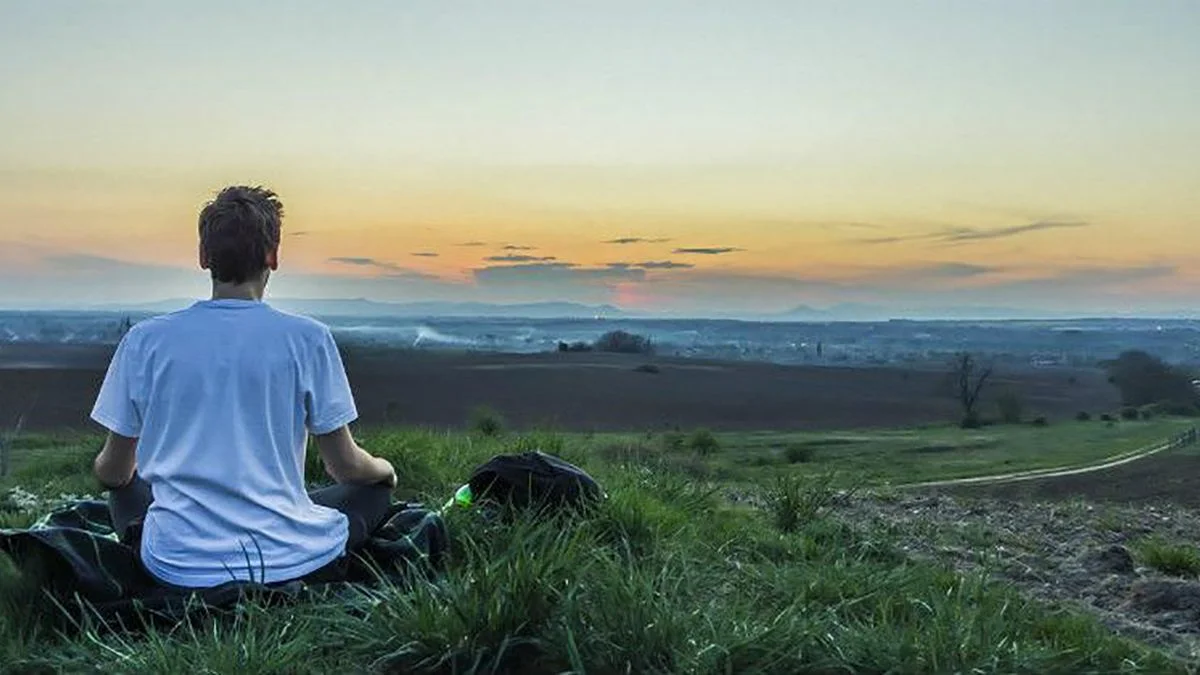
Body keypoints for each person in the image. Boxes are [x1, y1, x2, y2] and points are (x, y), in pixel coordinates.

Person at [89, 185, 397, 589]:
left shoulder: (145, 341)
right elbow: (344, 467)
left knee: (126, 487)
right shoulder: (308, 338)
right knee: (373, 493)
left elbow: (111, 472)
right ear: (273, 256)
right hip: (289, 560)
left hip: (176, 566)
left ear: (204, 257)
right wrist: (385, 470)